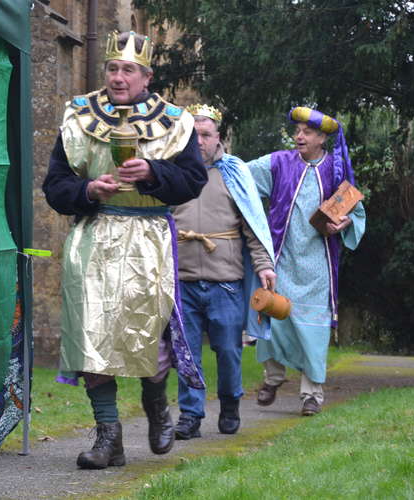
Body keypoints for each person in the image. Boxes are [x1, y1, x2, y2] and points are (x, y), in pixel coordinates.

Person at [42, 31, 208, 469]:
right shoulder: (78, 117)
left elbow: (192, 182)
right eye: (113, 68)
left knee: (148, 345)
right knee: (92, 338)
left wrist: (154, 172)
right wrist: (88, 189)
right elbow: (55, 186)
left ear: (146, 76)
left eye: (128, 70)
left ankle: (156, 406)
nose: (118, 77)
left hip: (148, 242)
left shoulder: (175, 121)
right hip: (93, 239)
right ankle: (108, 437)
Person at [246, 107, 366, 416]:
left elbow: (356, 211)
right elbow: (239, 175)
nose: (299, 136)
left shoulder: (337, 170)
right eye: (297, 130)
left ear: (323, 138)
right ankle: (272, 378)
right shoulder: (278, 163)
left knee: (313, 329)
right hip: (282, 259)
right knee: (274, 317)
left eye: (307, 132)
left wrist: (346, 223)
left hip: (318, 265)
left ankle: (312, 395)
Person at [172, 104, 276, 439]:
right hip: (183, 280)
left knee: (229, 350)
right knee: (185, 352)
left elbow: (253, 227)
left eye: (205, 135)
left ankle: (230, 404)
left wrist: (263, 265)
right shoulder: (174, 173)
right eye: (193, 135)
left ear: (218, 137)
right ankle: (190, 415)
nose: (199, 141)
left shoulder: (235, 173)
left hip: (225, 282)